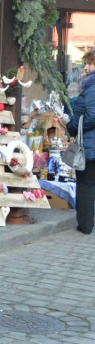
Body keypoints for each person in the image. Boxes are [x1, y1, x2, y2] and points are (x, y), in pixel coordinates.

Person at [68, 48, 95, 235]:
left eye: (89, 63)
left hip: (90, 146)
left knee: (85, 185)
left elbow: (93, 115)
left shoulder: (92, 87)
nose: (85, 67)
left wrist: (74, 124)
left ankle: (85, 225)